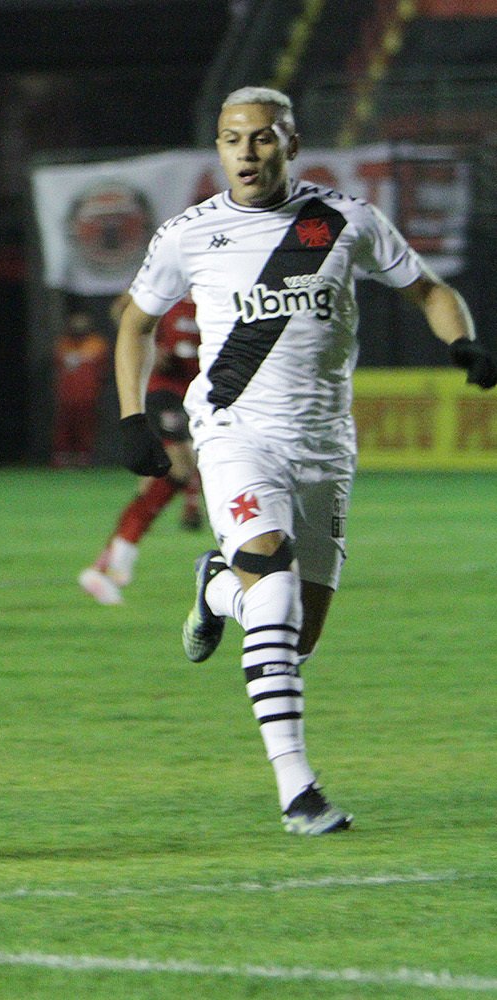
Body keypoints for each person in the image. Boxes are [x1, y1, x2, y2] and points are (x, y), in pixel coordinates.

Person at [115, 86, 496, 835]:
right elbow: (135, 324)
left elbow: (428, 290)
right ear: (218, 147)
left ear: (291, 142)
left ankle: (218, 591)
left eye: (261, 139)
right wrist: (133, 420)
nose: (247, 153)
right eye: (232, 139)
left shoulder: (344, 220)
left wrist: (464, 341)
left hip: (324, 445)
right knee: (278, 591)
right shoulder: (190, 234)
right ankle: (299, 791)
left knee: (296, 634)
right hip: (235, 434)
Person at [79, 295, 203, 605]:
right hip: (163, 392)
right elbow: (122, 308)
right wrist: (150, 343)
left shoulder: (215, 290)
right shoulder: (174, 284)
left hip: (195, 392)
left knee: (169, 476)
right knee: (180, 466)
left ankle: (113, 560)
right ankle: (112, 561)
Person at [51, 310, 109, 467]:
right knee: (63, 428)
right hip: (66, 396)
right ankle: (62, 458)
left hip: (88, 395)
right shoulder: (64, 343)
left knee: (86, 428)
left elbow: (102, 369)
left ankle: (84, 458)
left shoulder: (96, 343)